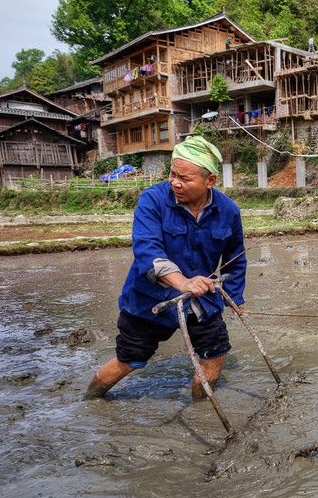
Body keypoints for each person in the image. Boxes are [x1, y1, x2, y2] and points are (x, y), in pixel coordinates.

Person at [84, 135, 247, 400]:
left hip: (199, 299)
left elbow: (236, 258)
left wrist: (236, 297)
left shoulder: (228, 211)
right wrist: (182, 282)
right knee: (129, 359)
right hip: (149, 299)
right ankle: (91, 400)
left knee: (215, 354)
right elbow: (147, 250)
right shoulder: (153, 201)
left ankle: (200, 409)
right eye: (173, 174)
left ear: (210, 181)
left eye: (184, 178)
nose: (175, 182)